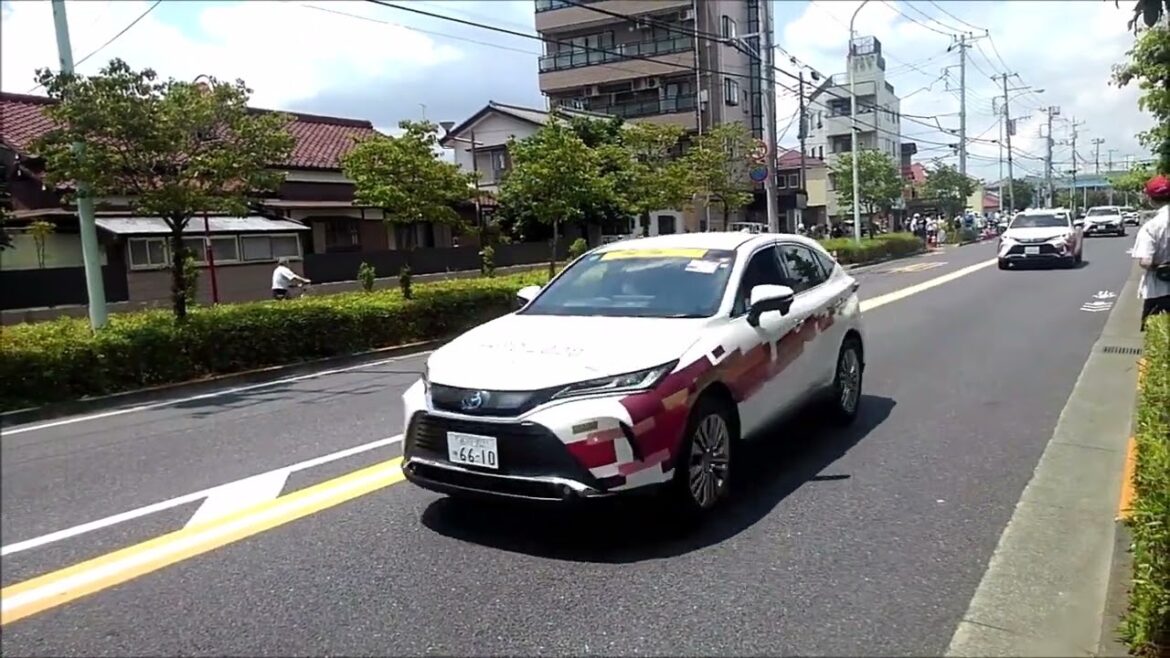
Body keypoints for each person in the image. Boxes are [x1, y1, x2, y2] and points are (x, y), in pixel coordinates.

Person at [1134, 175, 1170, 330]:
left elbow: (1146, 262)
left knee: (1157, 339)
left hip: (1159, 291)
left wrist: (1162, 266)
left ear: (1150, 198)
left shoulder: (1152, 227)